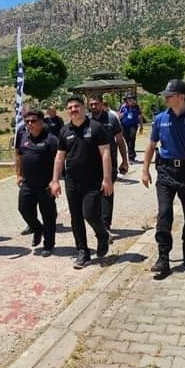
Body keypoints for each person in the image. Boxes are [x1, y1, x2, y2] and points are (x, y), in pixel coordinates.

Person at [141, 79, 185, 280]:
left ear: (181, 96)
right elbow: (151, 144)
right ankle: (163, 258)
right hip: (165, 172)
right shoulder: (160, 118)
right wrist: (145, 170)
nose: (165, 98)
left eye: (169, 95)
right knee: (164, 214)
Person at [50, 96, 112, 269]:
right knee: (75, 217)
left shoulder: (96, 128)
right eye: (69, 107)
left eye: (76, 106)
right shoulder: (64, 131)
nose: (73, 110)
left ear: (83, 108)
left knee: (90, 213)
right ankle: (82, 251)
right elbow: (59, 157)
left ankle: (102, 235)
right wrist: (55, 180)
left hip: (93, 180)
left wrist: (107, 179)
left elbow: (105, 153)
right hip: (72, 180)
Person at [15, 108, 58, 256]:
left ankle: (49, 245)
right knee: (23, 209)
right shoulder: (23, 137)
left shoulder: (51, 139)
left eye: (33, 121)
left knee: (49, 216)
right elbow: (19, 156)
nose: (30, 124)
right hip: (28, 184)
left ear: (41, 122)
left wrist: (55, 181)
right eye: (27, 121)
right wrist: (18, 175)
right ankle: (37, 229)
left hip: (46, 185)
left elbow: (58, 161)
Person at [88, 94, 128, 231]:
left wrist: (125, 160)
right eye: (91, 104)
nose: (93, 106)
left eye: (96, 103)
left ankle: (105, 225)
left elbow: (120, 140)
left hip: (110, 161)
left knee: (107, 192)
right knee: (93, 194)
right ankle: (98, 222)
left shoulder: (112, 118)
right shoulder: (86, 120)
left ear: (101, 103)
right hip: (91, 164)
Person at [119, 93, 144, 162]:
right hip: (124, 126)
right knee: (127, 141)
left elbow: (140, 117)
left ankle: (131, 158)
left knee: (132, 139)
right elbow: (119, 116)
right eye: (128, 99)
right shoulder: (123, 107)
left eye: (131, 99)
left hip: (133, 125)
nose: (130, 100)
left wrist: (141, 126)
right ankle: (132, 153)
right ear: (126, 100)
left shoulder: (136, 107)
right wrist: (122, 115)